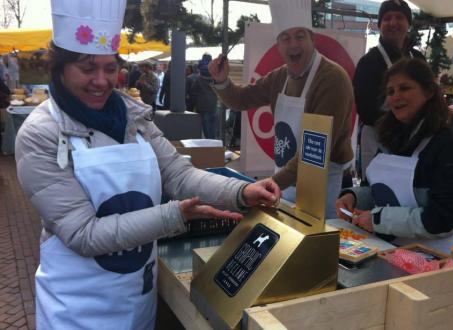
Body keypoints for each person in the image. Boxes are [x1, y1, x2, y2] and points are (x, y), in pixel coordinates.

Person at [14, 1, 281, 329]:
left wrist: (242, 190)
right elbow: (83, 234)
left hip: (137, 300)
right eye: (87, 69)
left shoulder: (133, 117)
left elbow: (178, 174)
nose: (101, 81)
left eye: (110, 68)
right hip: (78, 310)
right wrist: (174, 215)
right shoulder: (41, 134)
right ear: (60, 67)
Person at [209, 0, 354, 218]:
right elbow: (241, 99)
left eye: (299, 36)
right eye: (286, 38)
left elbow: (313, 152)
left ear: (312, 40)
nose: (293, 44)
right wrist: (222, 81)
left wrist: (271, 184)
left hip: (321, 180)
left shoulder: (332, 78)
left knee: (317, 242)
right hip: (286, 178)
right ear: (278, 45)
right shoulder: (280, 76)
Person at [335, 58, 453, 256]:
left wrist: (378, 220)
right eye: (390, 91)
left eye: (404, 88)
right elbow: (378, 191)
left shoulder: (452, 148)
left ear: (429, 92)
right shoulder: (389, 139)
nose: (396, 97)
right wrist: (353, 197)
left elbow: (442, 219)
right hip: (387, 251)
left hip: (434, 258)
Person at [354, 0, 425, 180]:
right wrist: (401, 123)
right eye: (387, 18)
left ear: (408, 23)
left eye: (399, 17)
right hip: (378, 141)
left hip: (415, 139)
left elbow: (428, 97)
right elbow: (366, 111)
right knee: (376, 192)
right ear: (380, 25)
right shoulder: (369, 62)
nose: (393, 23)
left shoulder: (418, 59)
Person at [187, 54, 219, 139]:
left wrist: (190, 108)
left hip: (202, 106)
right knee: (212, 128)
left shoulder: (198, 79)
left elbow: (193, 94)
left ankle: (209, 147)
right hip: (213, 105)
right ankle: (213, 145)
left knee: (206, 129)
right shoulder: (215, 76)